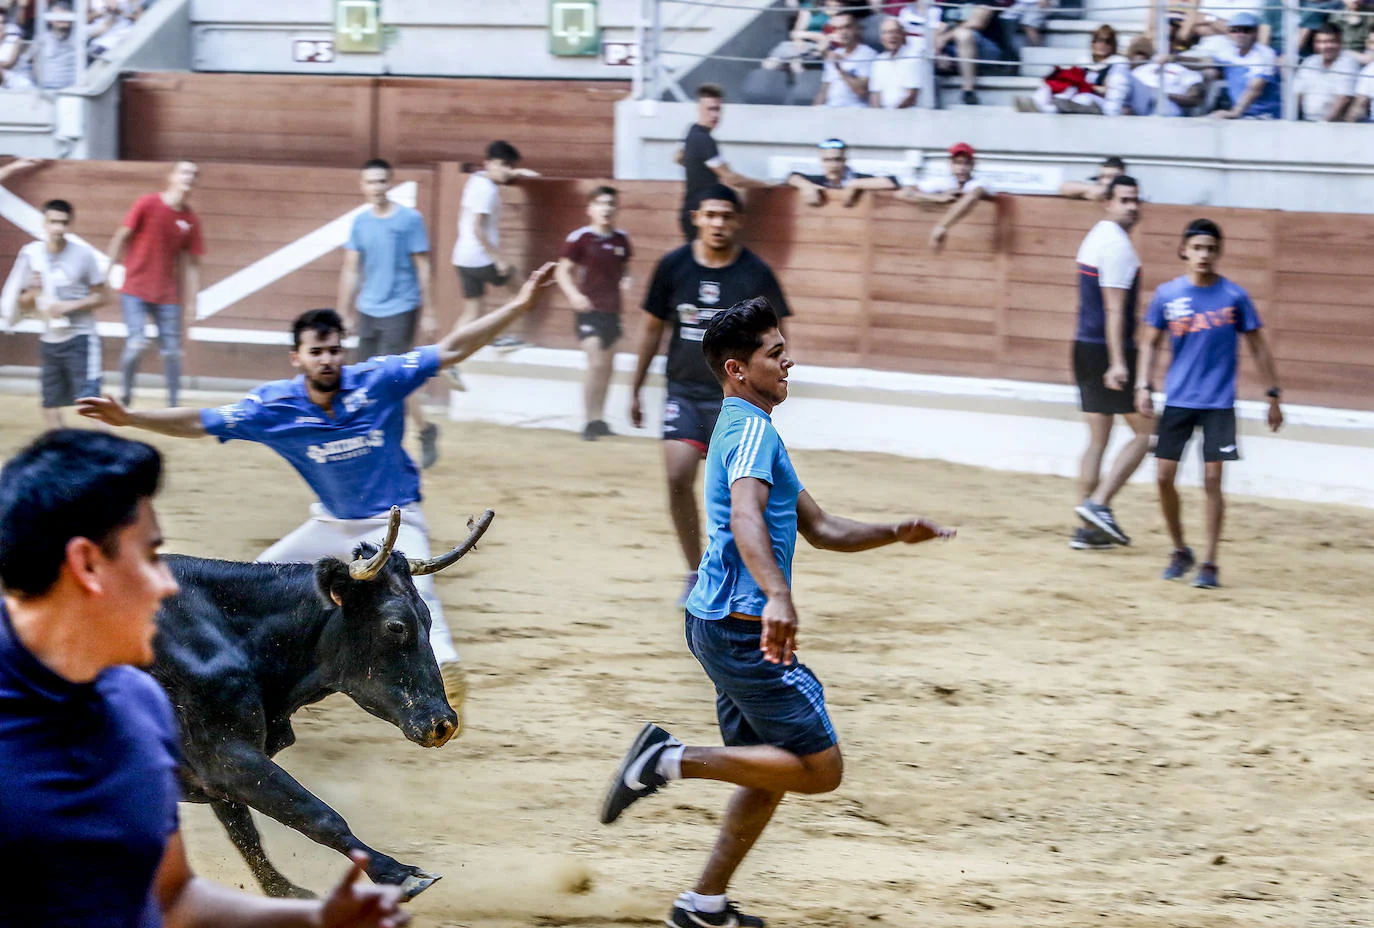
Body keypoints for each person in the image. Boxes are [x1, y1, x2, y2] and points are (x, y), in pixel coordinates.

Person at [78, 264, 559, 732]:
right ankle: (257, 692)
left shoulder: (379, 380)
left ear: (341, 352)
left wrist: (518, 305)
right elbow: (199, 421)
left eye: (333, 350)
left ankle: (446, 682)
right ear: (298, 358)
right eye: (316, 351)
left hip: (392, 521)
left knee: (415, 590)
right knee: (260, 583)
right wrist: (131, 418)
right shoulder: (276, 406)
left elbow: (452, 348)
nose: (326, 359)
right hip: (331, 525)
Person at [600, 298, 955, 928]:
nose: (789, 360)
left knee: (769, 771)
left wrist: (896, 531)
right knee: (821, 769)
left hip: (721, 620)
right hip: (742, 626)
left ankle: (703, 904)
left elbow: (822, 528)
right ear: (738, 369)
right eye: (774, 352)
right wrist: (779, 596)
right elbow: (744, 518)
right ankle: (664, 758)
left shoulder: (750, 430)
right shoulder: (751, 432)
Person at [0, 429, 410, 928]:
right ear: (87, 564)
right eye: (152, 558)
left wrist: (318, 918)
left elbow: (173, 898)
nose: (169, 582)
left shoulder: (139, 705)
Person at [630, 184, 791, 606]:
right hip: (683, 391)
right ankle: (694, 570)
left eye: (726, 216)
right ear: (696, 217)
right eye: (711, 215)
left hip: (734, 400)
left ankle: (740, 576)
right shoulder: (673, 266)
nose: (718, 223)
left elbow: (778, 336)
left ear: (737, 221)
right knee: (677, 476)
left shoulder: (755, 273)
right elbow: (651, 330)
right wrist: (634, 387)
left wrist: (773, 382)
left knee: (743, 493)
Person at [1134, 219, 1284, 589]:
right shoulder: (1167, 296)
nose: (1204, 255)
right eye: (1198, 248)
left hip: (1218, 403)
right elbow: (1150, 343)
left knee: (1213, 479)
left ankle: (1211, 562)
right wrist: (1143, 385)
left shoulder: (1234, 297)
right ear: (1184, 250)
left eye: (1211, 249)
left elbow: (1258, 346)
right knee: (1163, 476)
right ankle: (1180, 549)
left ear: (1219, 253)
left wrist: (1273, 394)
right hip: (1179, 400)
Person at [337, 158, 442, 468]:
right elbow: (351, 269)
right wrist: (344, 311)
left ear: (390, 183)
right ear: (363, 186)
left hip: (401, 307)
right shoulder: (360, 223)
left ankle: (397, 442)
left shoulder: (409, 220)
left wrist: (430, 311)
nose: (377, 187)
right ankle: (423, 430)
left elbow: (423, 267)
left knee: (391, 378)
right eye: (371, 182)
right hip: (368, 308)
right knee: (368, 380)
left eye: (382, 181)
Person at [1067, 175, 1152, 550]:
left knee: (1098, 440)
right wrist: (1118, 363)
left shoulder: (1096, 236)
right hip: (1108, 351)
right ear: (1108, 202)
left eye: (1136, 200)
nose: (1132, 207)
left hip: (1084, 346)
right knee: (1150, 433)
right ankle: (1099, 506)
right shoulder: (1118, 246)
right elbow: (1114, 309)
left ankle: (1085, 529)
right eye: (1124, 200)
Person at [0, 198, 109, 428]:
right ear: (44, 223)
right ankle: (60, 453)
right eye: (53, 222)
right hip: (50, 338)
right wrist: (33, 292)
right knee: (49, 403)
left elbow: (103, 296)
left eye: (63, 223)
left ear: (70, 225)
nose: (58, 228)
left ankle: (108, 454)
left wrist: (69, 306)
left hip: (80, 338)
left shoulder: (84, 255)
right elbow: (20, 301)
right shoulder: (31, 254)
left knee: (91, 403)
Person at [107, 159, 204, 408]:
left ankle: (173, 405)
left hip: (167, 295)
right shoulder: (147, 203)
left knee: (172, 352)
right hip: (135, 288)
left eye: (193, 174)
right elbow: (121, 236)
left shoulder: (190, 220)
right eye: (184, 172)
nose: (189, 177)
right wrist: (106, 271)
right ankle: (126, 396)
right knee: (136, 343)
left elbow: (191, 264)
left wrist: (192, 302)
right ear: (171, 176)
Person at [451, 140, 540, 370]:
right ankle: (504, 336)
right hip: (481, 257)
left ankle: (447, 355)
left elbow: (500, 175)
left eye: (509, 165)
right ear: (488, 163)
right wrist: (498, 258)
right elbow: (478, 228)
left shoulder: (477, 179)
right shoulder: (486, 190)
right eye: (502, 165)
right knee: (521, 288)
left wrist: (516, 172)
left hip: (462, 257)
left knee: (473, 310)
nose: (505, 170)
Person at [555, 185, 633, 441]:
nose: (606, 208)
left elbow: (625, 269)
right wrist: (574, 296)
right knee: (596, 363)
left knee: (607, 367)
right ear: (590, 209)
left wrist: (627, 280)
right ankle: (588, 421)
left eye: (611, 204)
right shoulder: (580, 238)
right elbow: (561, 271)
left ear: (616, 209)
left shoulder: (621, 239)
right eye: (600, 203)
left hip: (612, 311)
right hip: (588, 311)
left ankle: (599, 418)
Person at [677, 84, 770, 243]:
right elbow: (731, 178)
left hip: (694, 211)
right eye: (710, 109)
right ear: (699, 109)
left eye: (718, 109)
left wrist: (695, 165)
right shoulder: (705, 140)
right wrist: (765, 184)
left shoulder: (692, 131)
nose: (714, 115)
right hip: (703, 215)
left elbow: (678, 157)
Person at [896, 142, 996, 251]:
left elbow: (973, 195)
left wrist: (941, 227)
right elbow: (901, 193)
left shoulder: (980, 183)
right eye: (958, 163)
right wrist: (938, 198)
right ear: (951, 164)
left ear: (973, 165)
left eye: (966, 163)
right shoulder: (945, 182)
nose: (962, 168)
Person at [1206, 11, 1282, 119]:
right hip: (1243, 115)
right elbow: (1204, 62)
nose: (1240, 35)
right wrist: (1177, 58)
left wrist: (1235, 112)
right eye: (1235, 30)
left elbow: (1255, 87)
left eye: (1246, 30)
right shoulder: (1229, 51)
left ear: (1256, 32)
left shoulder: (1265, 54)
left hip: (1265, 116)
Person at [787, 138, 900, 207]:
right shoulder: (819, 180)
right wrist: (806, 186)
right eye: (827, 160)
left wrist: (854, 184)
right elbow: (792, 177)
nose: (833, 165)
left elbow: (891, 182)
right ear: (822, 161)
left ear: (845, 160)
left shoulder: (859, 178)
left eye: (837, 159)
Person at [1295, 21, 1360, 120]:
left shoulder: (1348, 63)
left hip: (1334, 125)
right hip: (1306, 122)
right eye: (1320, 42)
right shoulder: (1309, 61)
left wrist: (1324, 125)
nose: (1325, 47)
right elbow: (1297, 95)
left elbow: (1343, 99)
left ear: (1340, 42)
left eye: (1331, 41)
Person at [813, 11, 878, 107]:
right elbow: (824, 90)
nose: (842, 32)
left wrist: (839, 68)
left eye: (847, 27)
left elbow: (862, 92)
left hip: (855, 110)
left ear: (856, 28)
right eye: (837, 29)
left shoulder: (868, 54)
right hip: (830, 109)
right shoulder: (834, 54)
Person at [869, 15, 923, 108]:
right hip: (884, 115)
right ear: (881, 38)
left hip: (908, 114)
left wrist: (891, 116)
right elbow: (875, 94)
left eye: (895, 32)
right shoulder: (878, 61)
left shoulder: (913, 57)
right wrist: (877, 116)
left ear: (902, 34)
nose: (891, 36)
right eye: (886, 33)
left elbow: (911, 96)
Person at [1059, 156, 1127, 201]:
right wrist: (1089, 190)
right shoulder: (1094, 187)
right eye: (1102, 176)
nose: (1105, 181)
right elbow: (1064, 187)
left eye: (1110, 177)